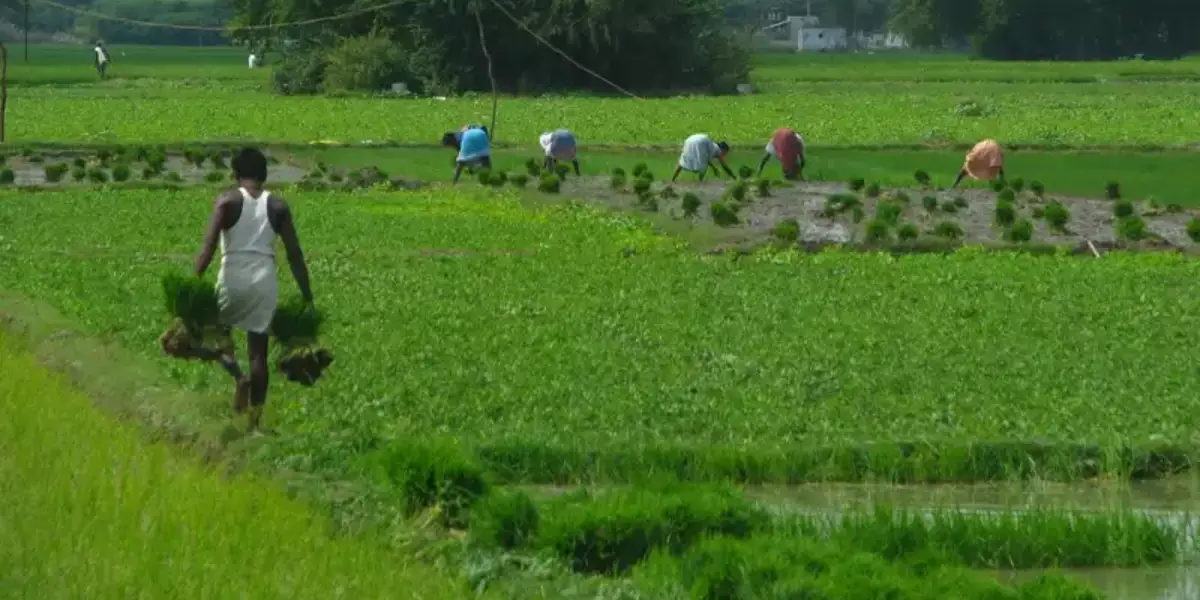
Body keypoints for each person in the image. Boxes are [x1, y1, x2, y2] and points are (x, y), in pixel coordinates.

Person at [191, 147, 313, 433]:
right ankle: (255, 423)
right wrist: (307, 293)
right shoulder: (278, 206)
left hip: (232, 277)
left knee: (215, 337)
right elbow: (295, 255)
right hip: (264, 282)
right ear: (265, 175)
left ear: (235, 174)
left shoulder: (227, 202)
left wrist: (193, 281)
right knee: (258, 353)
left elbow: (208, 247)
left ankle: (238, 375)